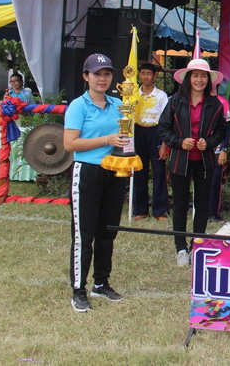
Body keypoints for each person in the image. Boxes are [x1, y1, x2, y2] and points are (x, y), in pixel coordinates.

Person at [62, 53, 130, 312]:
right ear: (86, 76)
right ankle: (78, 289)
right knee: (84, 234)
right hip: (87, 172)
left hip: (114, 172)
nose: (102, 79)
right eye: (97, 74)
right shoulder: (78, 106)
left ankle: (101, 283)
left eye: (107, 74)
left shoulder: (118, 104)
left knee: (108, 231)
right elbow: (70, 144)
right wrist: (106, 140)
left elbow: (124, 136)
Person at [158, 58, 229, 266]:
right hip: (180, 160)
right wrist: (179, 142)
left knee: (202, 205)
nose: (199, 80)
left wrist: (210, 142)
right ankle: (180, 248)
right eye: (195, 76)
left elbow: (222, 131)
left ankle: (197, 246)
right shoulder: (175, 101)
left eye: (203, 76)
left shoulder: (215, 104)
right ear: (188, 78)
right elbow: (163, 128)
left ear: (209, 79)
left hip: (205, 161)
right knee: (180, 205)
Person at [132, 63, 170, 221]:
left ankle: (160, 211)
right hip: (137, 132)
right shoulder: (133, 93)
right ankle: (140, 210)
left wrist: (164, 144)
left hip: (156, 133)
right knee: (138, 170)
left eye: (149, 73)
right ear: (139, 75)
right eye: (143, 73)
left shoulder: (161, 96)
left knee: (159, 171)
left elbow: (166, 121)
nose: (146, 76)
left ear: (155, 76)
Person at [208, 89, 230, 223]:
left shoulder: (222, 102)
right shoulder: (194, 101)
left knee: (215, 182)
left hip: (217, 150)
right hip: (198, 149)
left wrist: (224, 149)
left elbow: (227, 129)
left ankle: (213, 214)